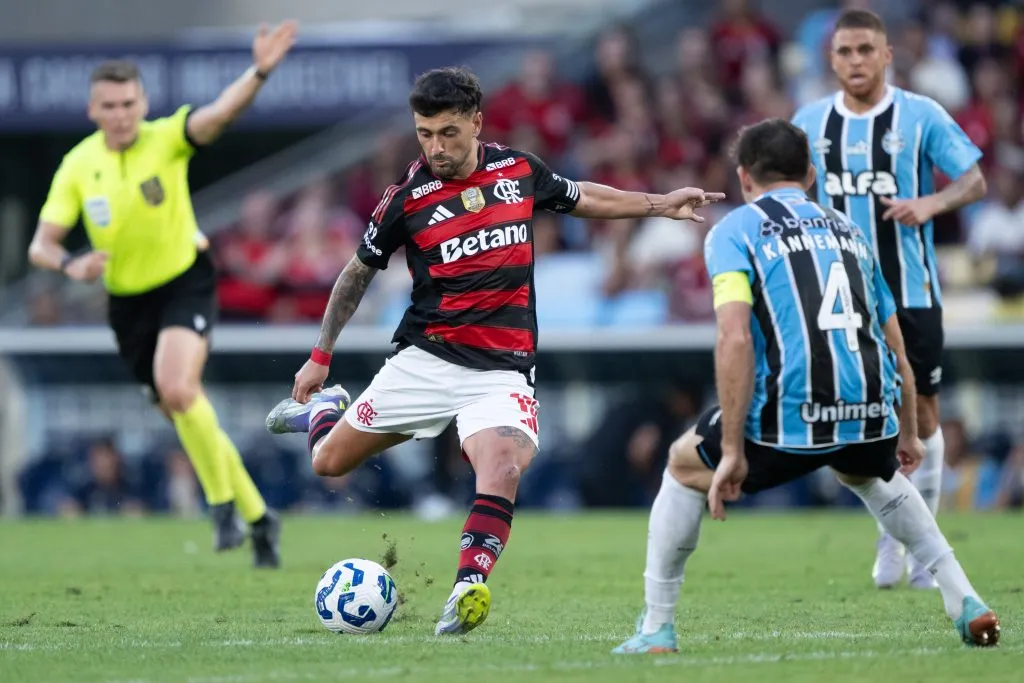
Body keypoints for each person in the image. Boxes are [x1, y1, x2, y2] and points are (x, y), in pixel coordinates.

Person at [264, 66, 723, 635]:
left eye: (448, 133)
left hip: (501, 372)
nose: (436, 147)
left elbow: (584, 199)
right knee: (327, 462)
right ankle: (326, 410)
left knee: (500, 464)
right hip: (427, 360)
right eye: (425, 134)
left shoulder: (518, 171)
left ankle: (467, 586)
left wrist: (658, 204)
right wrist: (320, 355)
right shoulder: (408, 198)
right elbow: (356, 274)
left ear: (476, 122)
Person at [612, 118, 999, 654]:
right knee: (871, 472)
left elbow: (735, 339)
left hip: (791, 408)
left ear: (744, 177)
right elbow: (896, 347)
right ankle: (966, 600)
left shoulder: (734, 230)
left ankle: (657, 627)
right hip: (869, 404)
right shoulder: (850, 230)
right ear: (812, 174)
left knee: (682, 466)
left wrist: (729, 451)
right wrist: (906, 431)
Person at [27, 21, 300, 568]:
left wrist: (261, 70)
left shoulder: (166, 139)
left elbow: (219, 113)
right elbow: (41, 245)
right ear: (92, 110)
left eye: (129, 102)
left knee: (179, 388)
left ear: (143, 102)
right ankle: (257, 517)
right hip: (127, 304)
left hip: (184, 280)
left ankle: (220, 506)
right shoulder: (79, 166)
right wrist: (71, 263)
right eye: (109, 105)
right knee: (185, 409)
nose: (121, 113)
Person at [791, 9, 987, 590]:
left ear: (886, 55)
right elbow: (788, 192)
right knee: (860, 421)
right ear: (831, 58)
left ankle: (922, 551)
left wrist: (929, 205)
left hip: (911, 290)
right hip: (840, 297)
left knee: (921, 414)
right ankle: (894, 531)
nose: (855, 61)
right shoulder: (810, 122)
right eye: (845, 51)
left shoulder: (919, 115)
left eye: (865, 50)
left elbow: (973, 179)